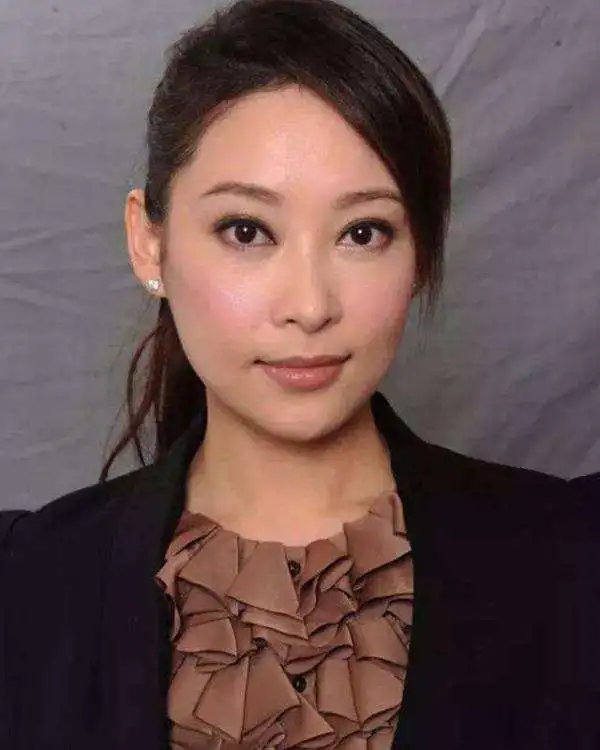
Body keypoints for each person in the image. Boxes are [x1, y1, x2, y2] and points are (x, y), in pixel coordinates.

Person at [0, 0, 598, 748]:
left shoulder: (573, 559)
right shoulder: (27, 584)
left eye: (363, 232)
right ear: (149, 244)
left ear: (419, 254)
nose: (310, 306)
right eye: (247, 230)